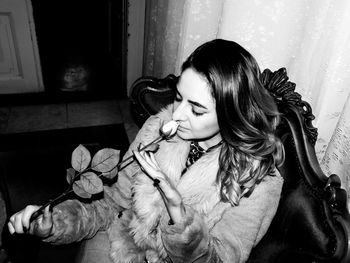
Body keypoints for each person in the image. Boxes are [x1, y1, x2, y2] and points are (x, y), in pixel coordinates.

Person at [8, 39, 284, 263]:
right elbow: (111, 203)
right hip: (125, 243)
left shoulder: (258, 181)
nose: (177, 114)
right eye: (178, 97)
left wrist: (177, 210)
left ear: (231, 113)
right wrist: (55, 221)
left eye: (196, 109)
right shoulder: (158, 128)